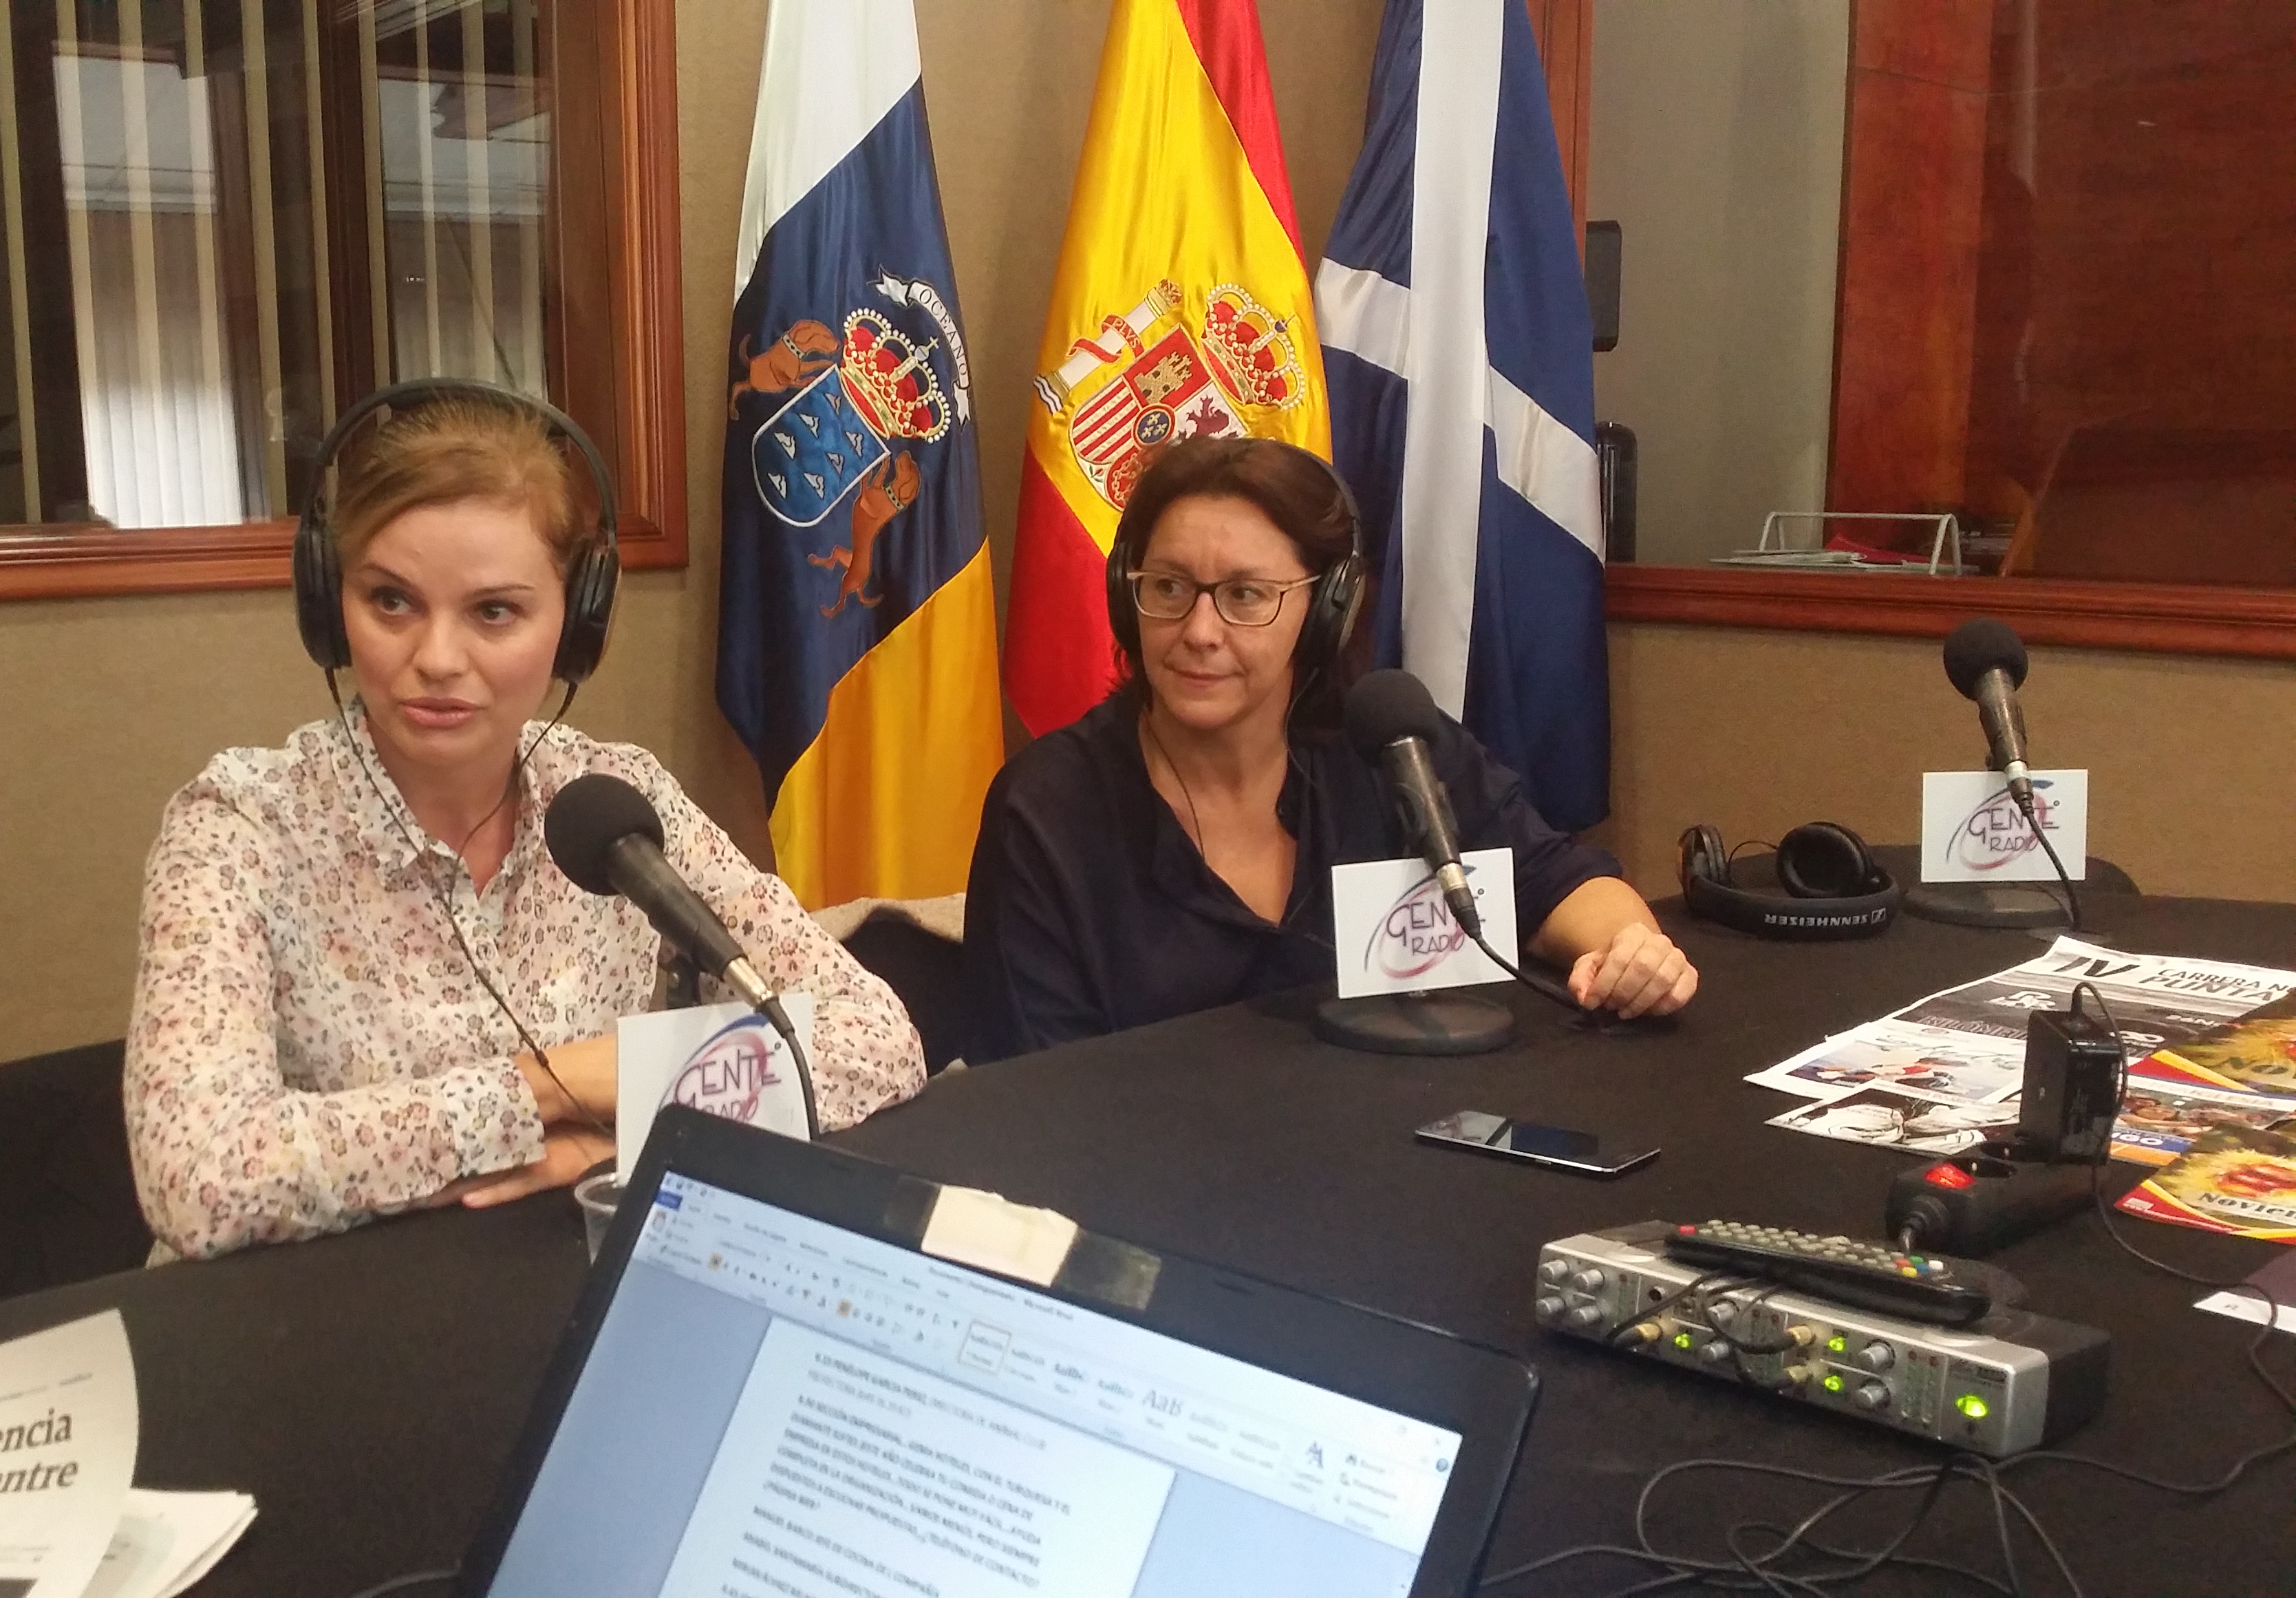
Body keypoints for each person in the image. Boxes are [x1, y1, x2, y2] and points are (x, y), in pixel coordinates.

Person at [125, 392, 925, 1258]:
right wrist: (548, 1088)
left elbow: (877, 1041)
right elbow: (198, 1179)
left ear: (577, 626)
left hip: (560, 1280)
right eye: (390, 601)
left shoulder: (618, 799)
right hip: (319, 1309)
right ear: (330, 605)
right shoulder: (239, 827)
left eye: (494, 612)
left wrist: (613, 1144)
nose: (436, 659)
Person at [963, 436, 1697, 1061]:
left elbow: (1557, 883)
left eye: (1245, 596)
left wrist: (1630, 949)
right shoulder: (1052, 807)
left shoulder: (1389, 749)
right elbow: (1035, 1090)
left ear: (1327, 611)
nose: (1199, 631)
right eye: (1169, 587)